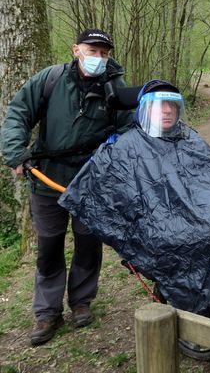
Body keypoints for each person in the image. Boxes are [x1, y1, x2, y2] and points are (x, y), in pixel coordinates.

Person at [58, 80, 210, 338]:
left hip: (203, 210)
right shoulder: (126, 146)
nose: (166, 110)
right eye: (159, 105)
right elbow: (109, 196)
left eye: (172, 105)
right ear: (144, 110)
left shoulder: (188, 137)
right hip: (162, 226)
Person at [0, 28, 134, 346]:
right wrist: (16, 152)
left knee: (88, 244)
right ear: (76, 50)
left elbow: (129, 126)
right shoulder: (50, 79)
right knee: (49, 247)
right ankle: (47, 312)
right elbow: (18, 114)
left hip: (92, 181)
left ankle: (81, 302)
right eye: (92, 51)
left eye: (104, 53)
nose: (98, 58)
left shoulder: (115, 86)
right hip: (47, 178)